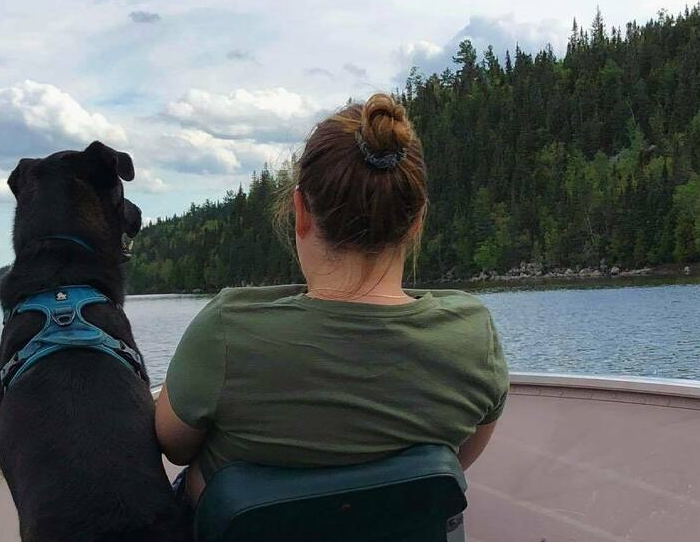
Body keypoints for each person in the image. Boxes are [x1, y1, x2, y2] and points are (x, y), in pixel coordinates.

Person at [154, 93, 509, 506]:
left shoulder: (227, 329)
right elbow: (455, 462)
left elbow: (173, 446)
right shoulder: (472, 335)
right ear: (416, 222)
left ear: (301, 212)